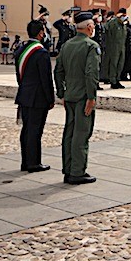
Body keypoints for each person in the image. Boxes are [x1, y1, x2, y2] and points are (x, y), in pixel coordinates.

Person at [54, 11, 101, 185]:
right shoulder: (91, 46)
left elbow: (58, 71)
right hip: (83, 97)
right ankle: (77, 172)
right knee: (81, 134)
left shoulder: (67, 45)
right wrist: (91, 97)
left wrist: (61, 92)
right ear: (89, 27)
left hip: (70, 96)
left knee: (69, 133)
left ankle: (68, 169)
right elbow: (91, 73)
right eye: (93, 26)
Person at [14, 19, 55, 173]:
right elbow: (46, 79)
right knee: (35, 131)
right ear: (40, 33)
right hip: (38, 98)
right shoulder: (41, 52)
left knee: (26, 130)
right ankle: (34, 163)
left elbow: (19, 76)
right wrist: (50, 99)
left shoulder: (21, 50)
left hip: (24, 95)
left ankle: (26, 161)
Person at [105, 8, 128, 89]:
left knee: (120, 64)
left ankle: (118, 79)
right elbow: (107, 29)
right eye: (122, 15)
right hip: (114, 47)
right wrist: (115, 18)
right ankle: (113, 81)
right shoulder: (113, 23)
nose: (124, 17)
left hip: (122, 47)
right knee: (114, 64)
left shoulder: (123, 25)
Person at [98, 11, 113, 84]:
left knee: (106, 63)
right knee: (102, 63)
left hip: (106, 46)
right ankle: (103, 77)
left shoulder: (103, 25)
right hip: (101, 46)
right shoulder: (105, 25)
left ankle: (106, 77)